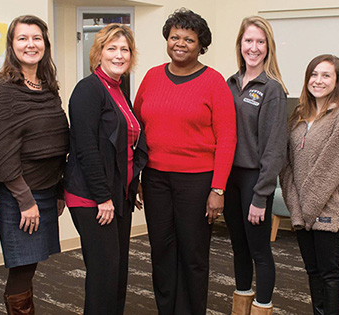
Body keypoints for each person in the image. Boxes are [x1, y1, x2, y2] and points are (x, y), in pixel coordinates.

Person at [134, 8, 237, 315]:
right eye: (174, 37)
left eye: (188, 39)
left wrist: (218, 189)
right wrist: (136, 176)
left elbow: (227, 139)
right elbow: (136, 128)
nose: (180, 43)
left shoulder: (214, 82)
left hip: (197, 181)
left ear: (200, 45)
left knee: (193, 255)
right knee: (161, 251)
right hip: (155, 179)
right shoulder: (152, 77)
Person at [0, 15, 69, 314]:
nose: (30, 44)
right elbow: (1, 152)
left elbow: (57, 141)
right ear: (12, 45)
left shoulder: (48, 88)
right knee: (21, 267)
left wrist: (59, 189)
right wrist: (25, 200)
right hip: (18, 193)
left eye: (36, 38)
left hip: (45, 189)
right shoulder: (3, 90)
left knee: (30, 265)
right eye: (22, 38)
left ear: (45, 44)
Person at [64, 24, 148, 315]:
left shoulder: (119, 90)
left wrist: (131, 183)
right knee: (103, 274)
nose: (119, 54)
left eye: (124, 49)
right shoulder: (88, 90)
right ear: (98, 53)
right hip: (93, 197)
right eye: (111, 48)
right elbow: (86, 149)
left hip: (117, 195)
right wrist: (102, 197)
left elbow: (124, 147)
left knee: (118, 273)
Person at [280, 54, 339, 315]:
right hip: (303, 210)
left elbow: (329, 171)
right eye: (314, 74)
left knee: (328, 273)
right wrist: (296, 206)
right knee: (312, 271)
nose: (318, 80)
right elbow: (287, 165)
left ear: (337, 81)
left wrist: (306, 209)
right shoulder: (300, 116)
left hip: (328, 210)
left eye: (326, 75)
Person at [225, 16, 288, 315]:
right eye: (248, 41)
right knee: (238, 247)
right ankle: (241, 308)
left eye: (260, 42)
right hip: (229, 179)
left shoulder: (272, 89)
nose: (254, 47)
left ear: (268, 47)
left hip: (254, 179)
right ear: (240, 44)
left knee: (259, 251)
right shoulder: (230, 83)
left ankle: (262, 309)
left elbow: (275, 148)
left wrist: (262, 194)